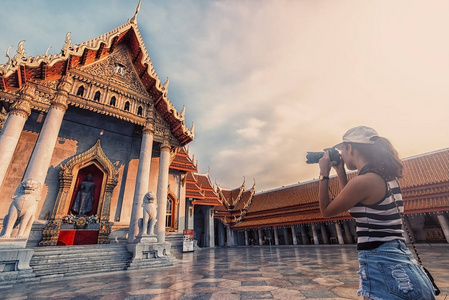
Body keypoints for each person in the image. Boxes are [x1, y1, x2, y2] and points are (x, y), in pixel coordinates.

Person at [318, 126, 436, 300]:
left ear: (351, 147)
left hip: (383, 262)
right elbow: (354, 202)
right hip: (398, 261)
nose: (341, 154)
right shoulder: (384, 178)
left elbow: (326, 211)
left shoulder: (364, 181)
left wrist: (323, 174)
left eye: (342, 149)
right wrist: (340, 170)